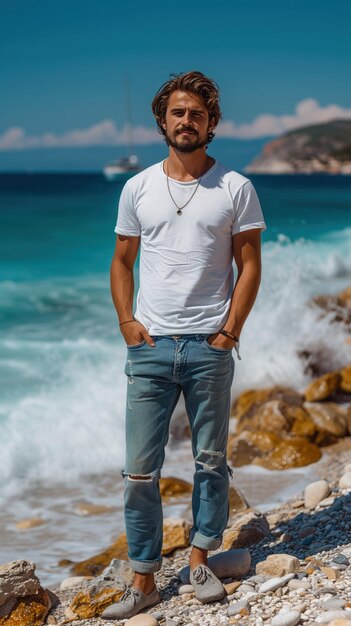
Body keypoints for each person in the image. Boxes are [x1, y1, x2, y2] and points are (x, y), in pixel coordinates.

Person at [102, 70, 266, 620]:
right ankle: (144, 579)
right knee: (139, 472)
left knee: (211, 463)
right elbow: (122, 262)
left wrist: (229, 334)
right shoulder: (138, 187)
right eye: (177, 112)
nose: (187, 121)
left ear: (211, 122)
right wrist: (127, 321)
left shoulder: (236, 187)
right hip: (148, 347)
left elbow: (250, 267)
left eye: (197, 113)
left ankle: (199, 560)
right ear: (162, 121)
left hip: (208, 347)